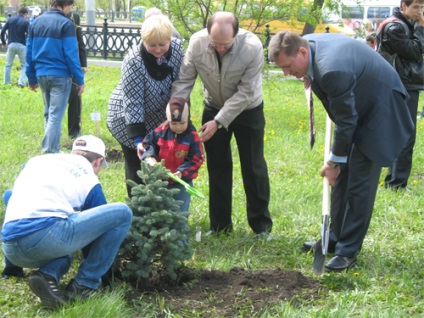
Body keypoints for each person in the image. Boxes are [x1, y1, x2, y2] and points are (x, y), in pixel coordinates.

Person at [268, 31, 414, 271]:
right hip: (359, 105)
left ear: (302, 52)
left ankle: (348, 252)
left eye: (287, 66)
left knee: (359, 184)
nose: (286, 72)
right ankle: (334, 238)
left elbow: (347, 122)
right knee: (341, 182)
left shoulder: (331, 70)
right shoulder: (307, 44)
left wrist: (334, 163)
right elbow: (346, 118)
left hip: (381, 111)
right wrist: (338, 162)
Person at [171, 11, 273, 239]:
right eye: (215, 43)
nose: (220, 48)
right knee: (218, 166)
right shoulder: (197, 44)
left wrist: (219, 121)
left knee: (253, 166)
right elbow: (185, 80)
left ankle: (261, 227)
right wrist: (176, 111)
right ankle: (220, 226)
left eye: (225, 45)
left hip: (248, 109)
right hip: (213, 106)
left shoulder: (252, 47)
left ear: (236, 35)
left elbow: (246, 91)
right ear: (208, 33)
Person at [1, 135, 133, 309]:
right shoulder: (88, 177)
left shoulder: (37, 161)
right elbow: (97, 234)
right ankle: (85, 284)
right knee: (122, 213)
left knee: (13, 195)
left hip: (11, 248)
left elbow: (10, 196)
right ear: (98, 161)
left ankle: (45, 275)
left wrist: (13, 266)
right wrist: (108, 277)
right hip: (45, 239)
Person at [107, 14, 185, 196]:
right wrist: (138, 140)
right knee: (137, 167)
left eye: (162, 45)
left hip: (160, 118)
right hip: (127, 118)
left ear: (169, 39)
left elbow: (181, 82)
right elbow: (133, 102)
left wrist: (175, 116)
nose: (158, 50)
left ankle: (161, 211)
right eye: (152, 45)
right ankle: (137, 214)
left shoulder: (177, 48)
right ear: (144, 40)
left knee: (162, 163)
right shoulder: (133, 61)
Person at [376, 0, 424, 189]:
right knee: (405, 134)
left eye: (422, 7)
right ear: (404, 5)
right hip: (400, 85)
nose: (419, 12)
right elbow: (415, 52)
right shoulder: (394, 27)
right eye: (416, 7)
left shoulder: (405, 24)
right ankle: (396, 183)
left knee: (401, 132)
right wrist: (421, 29)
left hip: (403, 84)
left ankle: (395, 180)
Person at [26, 0, 84, 154]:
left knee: (48, 114)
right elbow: (71, 54)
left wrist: (31, 77)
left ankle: (50, 148)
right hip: (60, 76)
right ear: (67, 4)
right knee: (55, 116)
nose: (70, 10)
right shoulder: (66, 24)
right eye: (71, 6)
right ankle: (50, 151)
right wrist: (79, 79)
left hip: (42, 74)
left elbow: (29, 53)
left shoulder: (35, 23)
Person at [142, 97, 204, 214]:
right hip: (159, 180)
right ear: (168, 120)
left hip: (181, 182)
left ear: (188, 119)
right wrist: (150, 157)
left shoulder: (192, 136)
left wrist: (182, 171)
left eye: (182, 123)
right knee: (158, 210)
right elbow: (148, 144)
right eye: (174, 123)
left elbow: (197, 158)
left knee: (179, 210)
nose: (178, 127)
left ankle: (180, 231)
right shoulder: (160, 132)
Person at [67, 11, 88, 139]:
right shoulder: (51, 16)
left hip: (74, 62)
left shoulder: (74, 17)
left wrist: (83, 63)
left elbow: (80, 40)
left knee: (75, 96)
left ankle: (74, 130)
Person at [1, 6, 30, 87]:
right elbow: (29, 34)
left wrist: (4, 42)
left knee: (8, 64)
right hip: (22, 45)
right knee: (24, 65)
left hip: (11, 44)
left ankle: (6, 82)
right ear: (25, 14)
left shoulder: (10, 20)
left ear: (18, 12)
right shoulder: (26, 22)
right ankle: (21, 82)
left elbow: (2, 32)